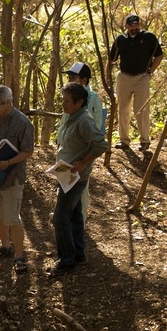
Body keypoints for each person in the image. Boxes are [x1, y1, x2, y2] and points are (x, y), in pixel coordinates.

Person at [49, 83, 109, 277]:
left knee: (60, 218)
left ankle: (67, 260)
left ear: (79, 102)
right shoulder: (71, 117)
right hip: (65, 174)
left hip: (75, 177)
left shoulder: (84, 121)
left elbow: (101, 145)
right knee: (74, 215)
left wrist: (83, 162)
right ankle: (78, 253)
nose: (63, 105)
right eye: (63, 100)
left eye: (67, 101)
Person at [0, 85, 35, 273]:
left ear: (9, 102)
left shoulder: (23, 123)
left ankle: (19, 256)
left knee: (13, 217)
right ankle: (5, 246)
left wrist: (10, 161)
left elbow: (28, 150)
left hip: (12, 177)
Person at [107, 14, 163, 152]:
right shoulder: (120, 39)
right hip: (124, 77)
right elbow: (111, 60)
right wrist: (107, 78)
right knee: (123, 109)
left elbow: (159, 55)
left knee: (141, 110)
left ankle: (144, 140)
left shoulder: (148, 37)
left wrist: (151, 71)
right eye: (131, 25)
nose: (134, 27)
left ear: (140, 24)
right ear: (126, 26)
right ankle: (124, 140)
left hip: (142, 77)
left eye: (136, 24)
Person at [58, 62, 103, 220]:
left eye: (73, 77)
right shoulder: (69, 96)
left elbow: (95, 128)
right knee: (66, 188)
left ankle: (80, 221)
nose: (69, 80)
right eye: (69, 77)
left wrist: (84, 159)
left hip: (80, 153)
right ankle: (70, 219)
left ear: (84, 80)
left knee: (81, 189)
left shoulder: (92, 99)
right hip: (68, 151)